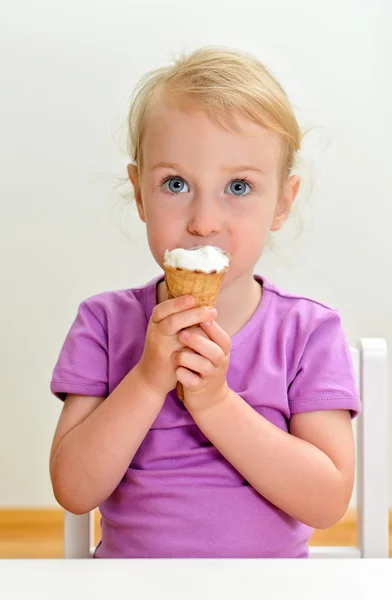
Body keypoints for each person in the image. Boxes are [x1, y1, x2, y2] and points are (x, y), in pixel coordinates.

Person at [49, 46, 361, 558]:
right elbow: (75, 491)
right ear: (140, 194)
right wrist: (149, 379)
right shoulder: (104, 324)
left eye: (238, 186)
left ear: (282, 202)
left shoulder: (307, 332)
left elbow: (326, 503)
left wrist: (214, 402)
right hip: (132, 586)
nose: (204, 221)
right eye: (176, 184)